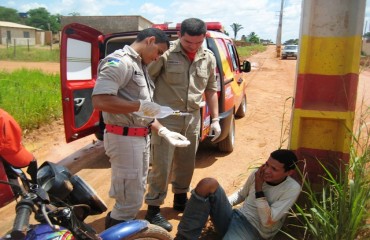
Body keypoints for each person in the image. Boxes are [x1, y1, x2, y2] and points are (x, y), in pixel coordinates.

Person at [91, 28, 190, 229]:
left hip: (138, 138)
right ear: (150, 41)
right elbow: (100, 100)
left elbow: (143, 112)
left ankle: (118, 226)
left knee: (134, 194)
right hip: (123, 138)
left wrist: (163, 130)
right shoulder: (120, 62)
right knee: (129, 200)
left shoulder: (140, 65)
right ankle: (117, 230)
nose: (157, 58)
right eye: (159, 52)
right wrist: (139, 106)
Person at [144, 17, 221, 232]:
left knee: (187, 162)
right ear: (179, 36)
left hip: (193, 118)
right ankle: (153, 208)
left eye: (198, 42)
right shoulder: (165, 54)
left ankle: (180, 199)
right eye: (189, 43)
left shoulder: (209, 57)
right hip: (166, 117)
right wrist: (150, 116)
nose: (194, 47)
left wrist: (215, 119)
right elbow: (145, 83)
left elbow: (211, 90)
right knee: (162, 164)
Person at [175, 149, 301, 240]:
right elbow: (242, 194)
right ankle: (183, 238)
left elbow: (267, 221)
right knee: (207, 184)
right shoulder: (258, 173)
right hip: (235, 217)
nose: (267, 170)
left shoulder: (291, 189)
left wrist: (258, 187)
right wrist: (217, 207)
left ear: (289, 172)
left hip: (254, 230)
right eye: (267, 164)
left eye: (274, 169)